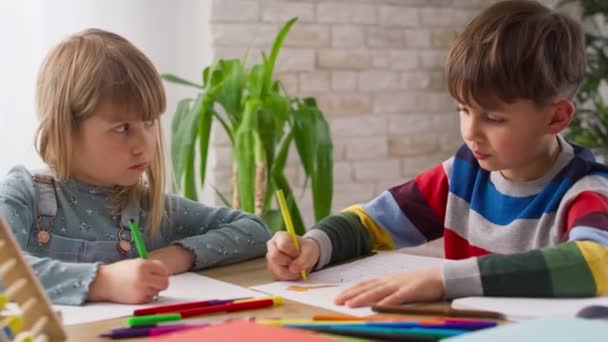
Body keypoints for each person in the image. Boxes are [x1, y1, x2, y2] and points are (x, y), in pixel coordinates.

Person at [266, 0, 608, 307]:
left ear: (555, 117)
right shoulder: (462, 174)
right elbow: (371, 222)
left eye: (493, 118)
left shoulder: (586, 189)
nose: (470, 132)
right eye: (463, 109)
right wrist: (314, 246)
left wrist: (443, 280)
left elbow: (595, 261)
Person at [0, 28, 271, 305]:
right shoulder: (25, 194)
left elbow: (255, 230)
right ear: (66, 129)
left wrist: (174, 257)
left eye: (150, 123)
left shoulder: (147, 208)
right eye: (122, 128)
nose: (144, 145)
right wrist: (101, 282)